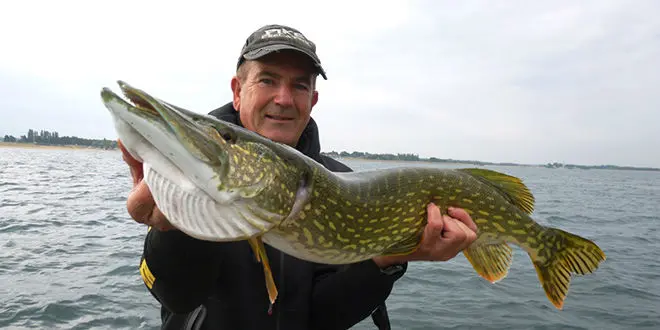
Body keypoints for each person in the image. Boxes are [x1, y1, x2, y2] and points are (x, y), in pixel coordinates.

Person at [118, 24, 478, 330]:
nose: (284, 98)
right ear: (237, 92)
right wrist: (177, 227)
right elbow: (176, 296)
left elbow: (322, 316)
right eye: (268, 80)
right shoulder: (199, 174)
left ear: (313, 100)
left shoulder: (340, 184)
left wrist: (387, 260)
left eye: (299, 86)